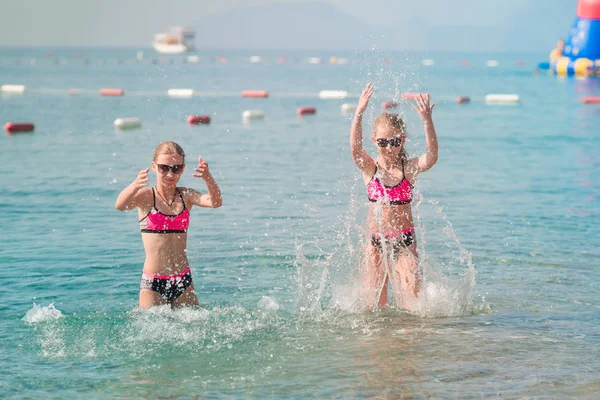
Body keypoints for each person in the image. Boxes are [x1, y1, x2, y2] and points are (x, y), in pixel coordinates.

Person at [350, 83, 438, 310]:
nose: (389, 147)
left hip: (405, 242)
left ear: (403, 141)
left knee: (412, 304)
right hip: (376, 243)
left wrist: (427, 121)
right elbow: (355, 150)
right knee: (375, 306)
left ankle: (406, 342)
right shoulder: (370, 170)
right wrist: (358, 113)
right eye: (383, 142)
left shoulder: (408, 170)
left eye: (395, 142)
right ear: (374, 141)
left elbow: (431, 158)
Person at [115, 141, 222, 309]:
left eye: (176, 168)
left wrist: (208, 178)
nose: (170, 174)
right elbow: (121, 205)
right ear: (154, 166)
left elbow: (215, 202)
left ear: (183, 168)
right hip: (154, 282)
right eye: (164, 168)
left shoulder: (186, 195)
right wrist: (135, 185)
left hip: (183, 279)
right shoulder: (147, 197)